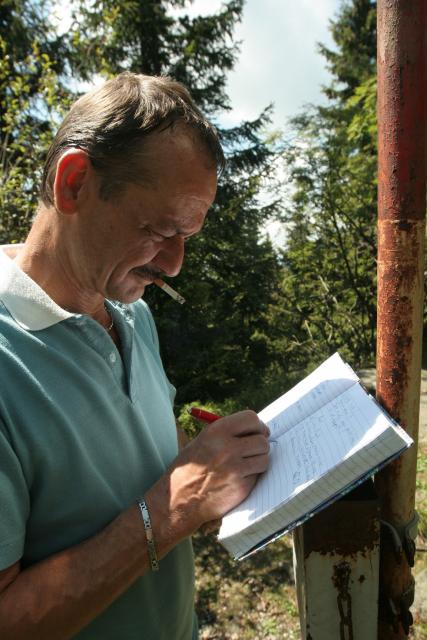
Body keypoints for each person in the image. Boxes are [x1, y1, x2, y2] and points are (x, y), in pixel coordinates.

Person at [0, 72, 270, 639]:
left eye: (187, 237)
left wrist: (215, 468)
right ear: (74, 183)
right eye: (161, 229)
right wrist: (173, 511)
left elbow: (157, 464)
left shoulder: (134, 316)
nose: (174, 264)